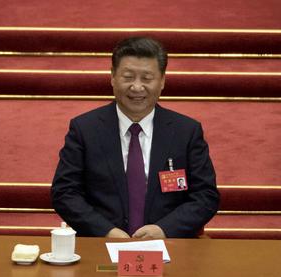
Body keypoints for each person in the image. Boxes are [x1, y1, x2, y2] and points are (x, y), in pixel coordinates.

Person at [51, 37, 219, 239]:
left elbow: (205, 196)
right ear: (113, 77)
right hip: (101, 244)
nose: (137, 87)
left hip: (169, 245)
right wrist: (105, 231)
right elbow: (65, 193)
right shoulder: (85, 129)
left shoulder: (186, 131)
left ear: (163, 80)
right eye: (128, 77)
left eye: (147, 78)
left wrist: (164, 229)